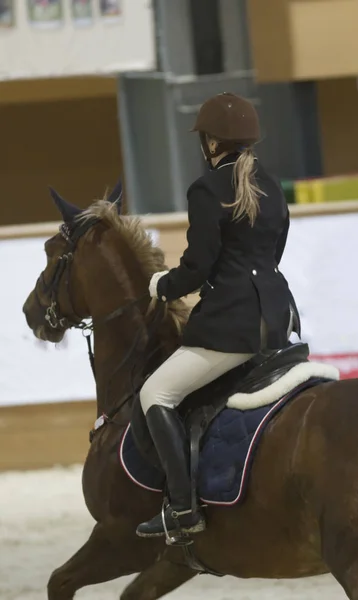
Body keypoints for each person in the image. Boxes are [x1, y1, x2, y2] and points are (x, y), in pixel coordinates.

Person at [135, 92, 301, 539]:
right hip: (278, 320)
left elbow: (199, 266)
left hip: (231, 325)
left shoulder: (207, 189)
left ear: (211, 143)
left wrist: (160, 285)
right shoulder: (272, 184)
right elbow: (273, 254)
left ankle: (183, 508)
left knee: (156, 394)